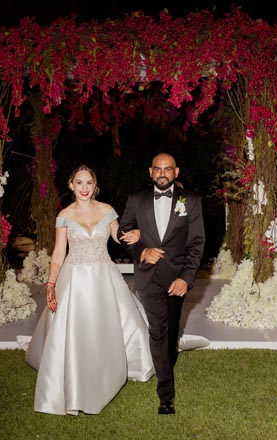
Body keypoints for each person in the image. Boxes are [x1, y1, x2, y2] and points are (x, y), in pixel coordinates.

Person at [25, 165, 154, 416]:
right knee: (74, 328)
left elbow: (118, 236)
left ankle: (116, 365)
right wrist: (51, 284)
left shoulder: (106, 210)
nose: (84, 188)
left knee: (115, 324)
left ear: (96, 186)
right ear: (71, 185)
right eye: (79, 182)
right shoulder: (64, 215)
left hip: (104, 276)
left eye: (89, 183)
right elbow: (59, 253)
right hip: (73, 279)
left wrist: (135, 234)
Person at [117, 152, 205, 415]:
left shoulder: (192, 200)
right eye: (158, 169)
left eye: (168, 169)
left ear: (176, 172)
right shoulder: (137, 199)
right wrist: (141, 251)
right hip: (148, 278)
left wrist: (186, 278)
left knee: (170, 333)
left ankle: (166, 362)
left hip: (176, 278)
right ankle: (166, 394)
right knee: (157, 331)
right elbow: (123, 234)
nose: (163, 173)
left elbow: (196, 243)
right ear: (150, 172)